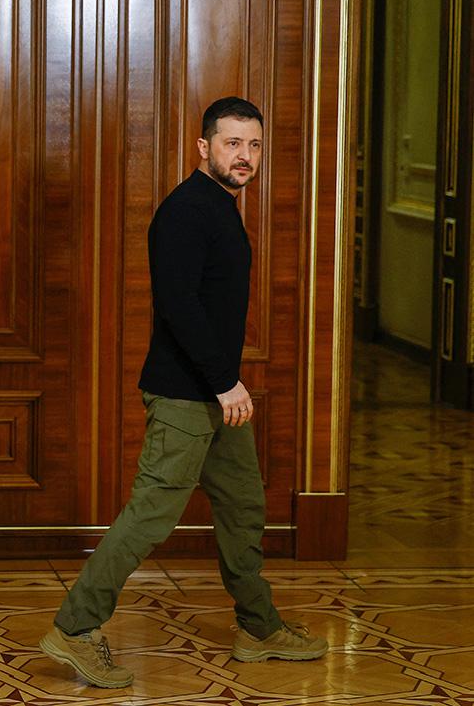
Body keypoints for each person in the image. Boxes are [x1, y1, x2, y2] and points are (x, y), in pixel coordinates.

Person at [39, 97, 328, 688]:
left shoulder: (219, 207)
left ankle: (259, 628)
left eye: (253, 145)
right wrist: (224, 383)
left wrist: (223, 386)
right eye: (232, 143)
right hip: (187, 397)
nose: (244, 156)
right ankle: (75, 628)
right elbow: (179, 306)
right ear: (204, 147)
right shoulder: (186, 211)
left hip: (217, 396)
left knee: (244, 507)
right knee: (151, 517)